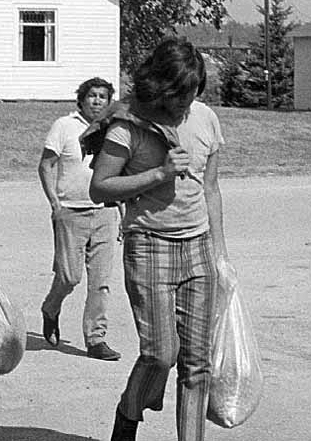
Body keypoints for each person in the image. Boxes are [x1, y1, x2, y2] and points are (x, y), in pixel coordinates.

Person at [87, 38, 229, 440]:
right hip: (149, 244)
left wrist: (220, 254)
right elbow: (100, 188)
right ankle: (127, 416)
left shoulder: (206, 120)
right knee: (159, 354)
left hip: (198, 245)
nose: (187, 102)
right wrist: (158, 174)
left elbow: (211, 188)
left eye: (193, 92)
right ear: (161, 88)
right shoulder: (127, 126)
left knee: (197, 363)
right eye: (180, 93)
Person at [38, 77, 123, 361]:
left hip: (105, 211)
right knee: (69, 277)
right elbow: (46, 165)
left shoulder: (115, 130)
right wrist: (55, 203)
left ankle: (96, 338)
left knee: (100, 280)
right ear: (81, 99)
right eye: (92, 96)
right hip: (71, 211)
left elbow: (120, 174)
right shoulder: (64, 126)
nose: (97, 101)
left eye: (103, 96)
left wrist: (122, 213)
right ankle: (51, 308)